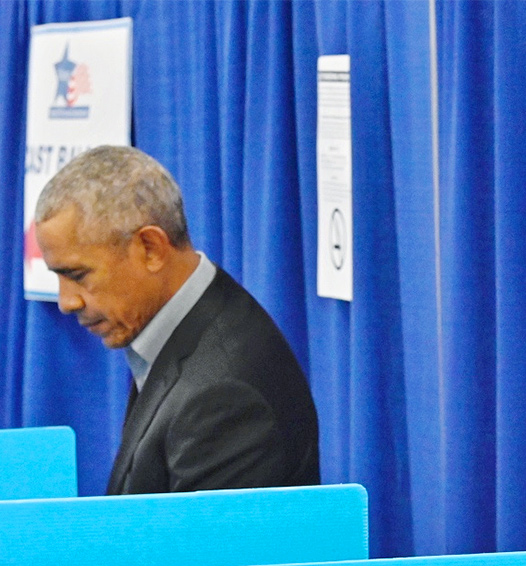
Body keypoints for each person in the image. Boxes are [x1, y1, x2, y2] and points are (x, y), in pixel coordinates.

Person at [34, 146, 319, 494]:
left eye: (78, 275)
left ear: (151, 248)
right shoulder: (191, 325)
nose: (66, 302)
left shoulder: (224, 397)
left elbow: (198, 549)